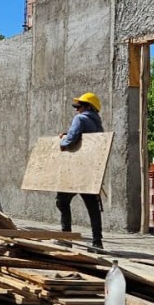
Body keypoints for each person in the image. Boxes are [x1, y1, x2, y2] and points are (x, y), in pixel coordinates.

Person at [56, 92, 105, 249]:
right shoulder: (98, 124)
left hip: (76, 169)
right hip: (90, 170)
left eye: (79, 106)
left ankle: (67, 237)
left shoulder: (80, 119)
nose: (77, 110)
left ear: (88, 107)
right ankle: (97, 242)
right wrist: (68, 133)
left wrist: (63, 142)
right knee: (92, 207)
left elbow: (73, 137)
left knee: (62, 201)